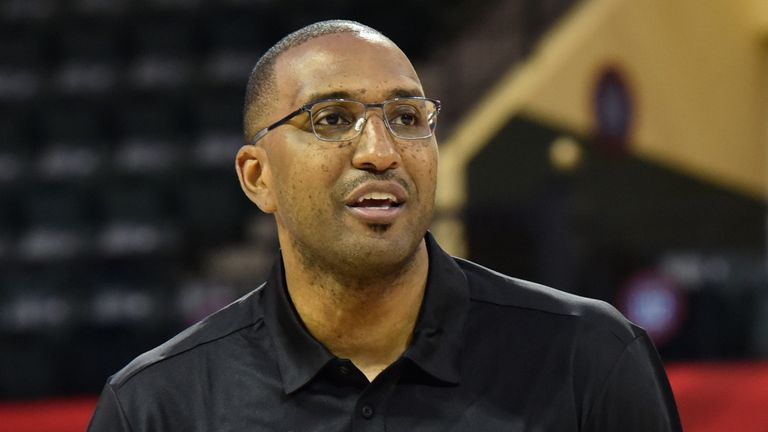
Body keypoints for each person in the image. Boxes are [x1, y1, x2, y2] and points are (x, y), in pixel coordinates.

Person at [88, 20, 681, 431]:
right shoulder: (155, 407)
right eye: (332, 118)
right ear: (257, 177)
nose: (380, 150)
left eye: (405, 116)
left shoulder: (593, 358)